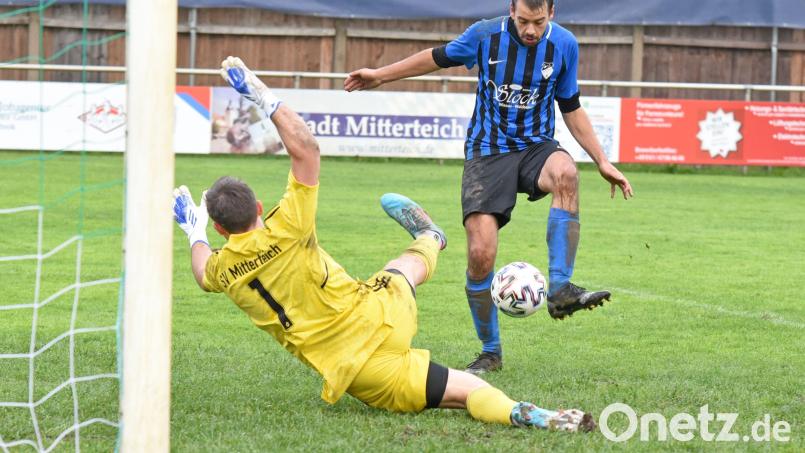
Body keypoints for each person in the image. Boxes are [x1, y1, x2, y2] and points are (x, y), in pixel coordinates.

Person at [171, 56, 596, 433]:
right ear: (259, 206)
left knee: (468, 392)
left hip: (361, 370)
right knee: (400, 271)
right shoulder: (288, 222)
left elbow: (201, 270)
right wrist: (261, 94)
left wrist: (194, 232)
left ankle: (530, 413)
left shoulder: (222, 272)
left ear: (222, 231)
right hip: (378, 310)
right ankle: (431, 238)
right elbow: (306, 149)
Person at [344, 0, 634, 375]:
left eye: (539, 22)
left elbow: (571, 105)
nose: (531, 30)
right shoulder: (484, 36)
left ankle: (560, 289)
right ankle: (490, 351)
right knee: (481, 254)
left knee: (566, 173)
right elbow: (436, 57)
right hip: (487, 153)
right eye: (524, 21)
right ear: (512, 10)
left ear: (553, 14)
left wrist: (602, 160)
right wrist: (381, 75)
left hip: (535, 147)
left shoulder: (564, 45)